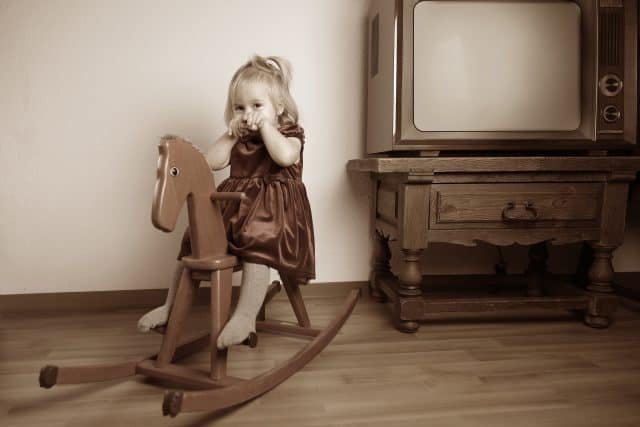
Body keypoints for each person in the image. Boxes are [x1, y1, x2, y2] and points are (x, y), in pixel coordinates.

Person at [138, 55, 315, 349]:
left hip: (275, 217)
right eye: (240, 107)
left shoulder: (290, 134)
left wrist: (266, 128)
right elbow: (209, 163)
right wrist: (231, 135)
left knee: (258, 245)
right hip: (235, 211)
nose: (249, 114)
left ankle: (245, 318)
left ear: (279, 107)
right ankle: (169, 308)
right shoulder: (239, 138)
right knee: (193, 243)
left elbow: (284, 156)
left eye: (257, 106)